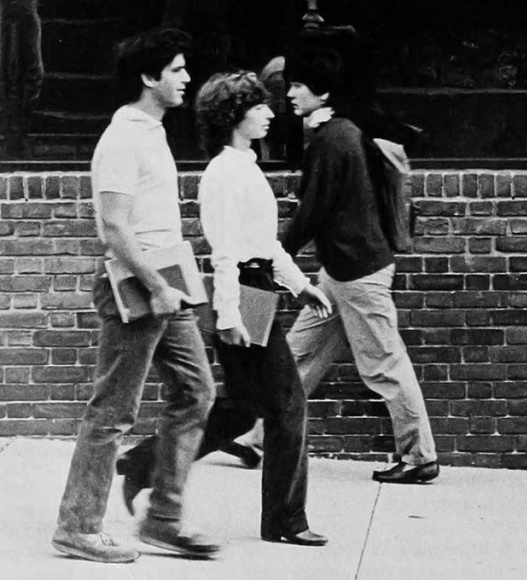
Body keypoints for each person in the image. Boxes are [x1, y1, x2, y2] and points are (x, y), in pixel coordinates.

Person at [116, 71, 333, 547]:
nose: (271, 114)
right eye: (259, 107)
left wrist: (300, 286)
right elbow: (226, 253)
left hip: (256, 290)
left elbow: (265, 244)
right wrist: (231, 316)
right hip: (243, 294)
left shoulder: (247, 166)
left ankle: (142, 463)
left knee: (244, 407)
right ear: (235, 115)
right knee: (288, 406)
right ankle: (285, 521)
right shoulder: (222, 174)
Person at [52, 28, 219, 563]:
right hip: (139, 290)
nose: (186, 78)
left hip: (164, 288)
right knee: (112, 412)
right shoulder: (122, 136)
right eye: (176, 69)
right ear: (149, 78)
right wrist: (158, 285)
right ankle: (77, 527)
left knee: (196, 392)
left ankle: (163, 520)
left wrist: (169, 286)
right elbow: (115, 229)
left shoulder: (153, 132)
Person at [282, 39, 439, 484]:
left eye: (298, 85)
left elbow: (312, 210)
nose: (290, 93)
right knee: (299, 354)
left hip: (358, 272)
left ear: (323, 91)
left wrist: (279, 254)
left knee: (384, 365)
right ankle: (256, 436)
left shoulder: (332, 142)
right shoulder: (339, 133)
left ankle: (419, 457)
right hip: (342, 270)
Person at [0, 0, 44, 156]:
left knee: (31, 72)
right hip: (8, 11)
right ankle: (13, 133)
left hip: (25, 10)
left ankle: (19, 131)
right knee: (9, 71)